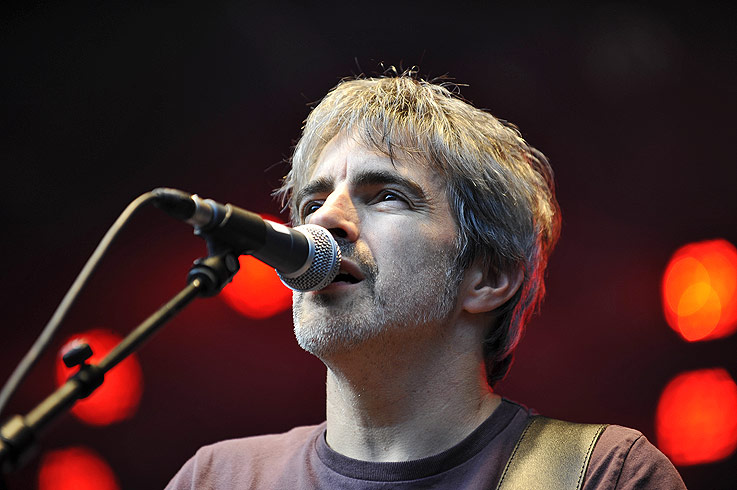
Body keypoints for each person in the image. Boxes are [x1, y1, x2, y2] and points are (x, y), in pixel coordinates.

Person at [166, 73, 687, 489]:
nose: (324, 220)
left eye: (387, 196)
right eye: (312, 202)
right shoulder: (216, 479)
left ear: (487, 277)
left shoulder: (603, 475)